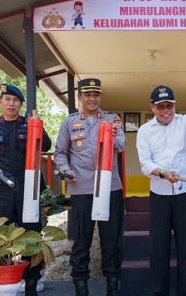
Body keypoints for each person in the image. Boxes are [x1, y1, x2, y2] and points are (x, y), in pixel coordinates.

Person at [0, 83, 52, 296]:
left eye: (16, 100)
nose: (11, 103)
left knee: (31, 236)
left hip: (29, 189)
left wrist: (38, 125)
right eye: (7, 99)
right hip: (2, 190)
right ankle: (0, 287)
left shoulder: (29, 124)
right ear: (0, 102)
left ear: (21, 104)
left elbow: (46, 145)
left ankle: (30, 285)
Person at [54, 78, 126, 296]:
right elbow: (60, 153)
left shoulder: (112, 119)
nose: (92, 99)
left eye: (96, 95)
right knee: (81, 240)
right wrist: (66, 170)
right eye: (88, 95)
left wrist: (115, 133)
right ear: (80, 97)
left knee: (111, 239)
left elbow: (121, 146)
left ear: (100, 97)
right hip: (81, 188)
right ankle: (81, 287)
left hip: (109, 188)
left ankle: (113, 286)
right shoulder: (70, 122)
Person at [136, 84, 186, 296]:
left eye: (170, 106)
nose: (166, 110)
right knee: (158, 248)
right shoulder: (144, 130)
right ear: (152, 107)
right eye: (161, 106)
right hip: (159, 194)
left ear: (175, 105)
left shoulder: (185, 121)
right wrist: (162, 173)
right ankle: (159, 292)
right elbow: (145, 163)